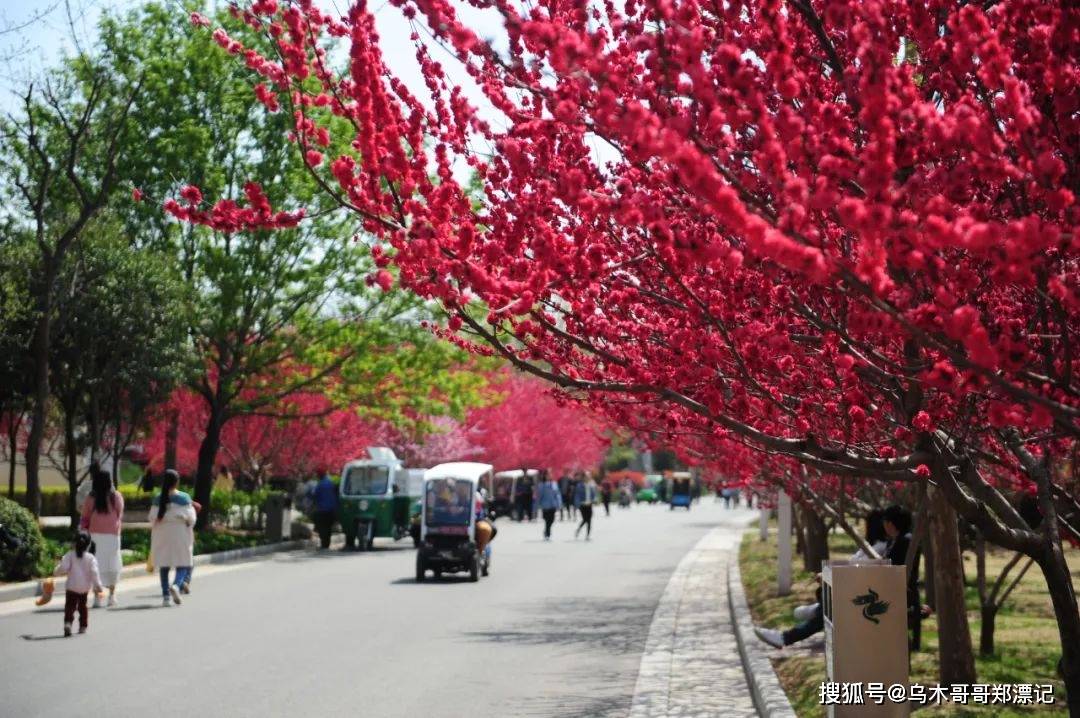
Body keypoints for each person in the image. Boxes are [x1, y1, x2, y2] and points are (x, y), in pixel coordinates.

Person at [754, 509, 903, 649]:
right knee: (825, 606)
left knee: (827, 611)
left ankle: (786, 637)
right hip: (852, 591)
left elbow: (859, 572)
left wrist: (830, 575)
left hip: (860, 597)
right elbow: (853, 565)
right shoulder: (870, 546)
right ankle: (810, 616)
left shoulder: (878, 549)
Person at [149, 470, 196, 607]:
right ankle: (176, 585)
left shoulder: (158, 498)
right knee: (183, 563)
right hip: (180, 534)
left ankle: (165, 597)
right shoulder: (185, 498)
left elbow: (152, 517)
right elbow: (191, 518)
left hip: (162, 535)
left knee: (164, 565)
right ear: (177, 482)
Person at [80, 469, 124, 607]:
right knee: (112, 563)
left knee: (96, 565)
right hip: (112, 535)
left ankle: (97, 598)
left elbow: (85, 516)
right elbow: (119, 513)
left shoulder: (90, 497)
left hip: (94, 535)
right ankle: (111, 596)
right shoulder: (115, 496)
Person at [53, 531, 102, 636]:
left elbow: (63, 568)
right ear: (88, 545)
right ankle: (83, 626)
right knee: (83, 607)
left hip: (71, 586)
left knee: (69, 607)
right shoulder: (90, 558)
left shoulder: (69, 555)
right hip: (84, 588)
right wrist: (98, 585)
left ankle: (68, 623)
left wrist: (55, 572)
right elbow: (94, 572)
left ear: (74, 543)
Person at [308, 467, 338, 550]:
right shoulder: (330, 483)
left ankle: (324, 544)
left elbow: (314, 495)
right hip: (331, 510)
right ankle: (326, 543)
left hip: (322, 510)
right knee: (328, 527)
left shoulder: (320, 485)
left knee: (322, 527)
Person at [537, 474, 563, 541]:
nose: (549, 476)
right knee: (546, 519)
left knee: (551, 520)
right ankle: (547, 532)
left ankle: (547, 530)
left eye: (550, 475)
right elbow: (539, 495)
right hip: (545, 505)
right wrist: (538, 504)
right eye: (547, 475)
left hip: (553, 505)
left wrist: (559, 503)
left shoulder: (554, 484)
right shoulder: (542, 484)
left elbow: (557, 494)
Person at [574, 473, 598, 540]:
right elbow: (577, 495)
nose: (587, 478)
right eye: (586, 476)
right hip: (582, 505)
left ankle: (587, 535)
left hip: (589, 504)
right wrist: (577, 504)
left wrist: (595, 500)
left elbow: (594, 494)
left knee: (589, 520)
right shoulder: (579, 485)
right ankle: (579, 529)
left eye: (588, 476)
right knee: (585, 519)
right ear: (583, 477)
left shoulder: (591, 485)